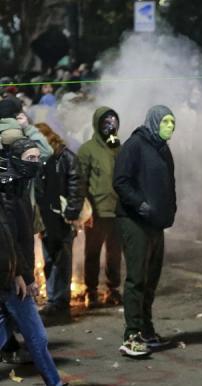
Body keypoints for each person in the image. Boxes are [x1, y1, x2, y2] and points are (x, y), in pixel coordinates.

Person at [114, 105, 177, 357]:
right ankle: (131, 335)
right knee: (137, 278)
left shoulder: (163, 149)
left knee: (151, 278)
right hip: (134, 221)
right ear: (154, 122)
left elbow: (169, 183)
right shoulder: (135, 145)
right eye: (166, 122)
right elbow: (120, 181)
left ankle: (146, 329)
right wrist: (140, 204)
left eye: (173, 122)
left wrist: (170, 210)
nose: (171, 126)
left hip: (155, 223)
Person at [0, 165, 67, 386]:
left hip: (12, 274)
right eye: (29, 158)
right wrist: (22, 275)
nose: (35, 162)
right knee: (37, 337)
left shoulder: (15, 194)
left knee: (7, 328)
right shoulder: (8, 199)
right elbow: (8, 243)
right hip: (10, 277)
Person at [34, 123, 84, 318]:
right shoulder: (42, 159)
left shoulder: (66, 157)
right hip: (47, 217)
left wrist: (72, 211)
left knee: (61, 258)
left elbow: (76, 185)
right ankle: (54, 298)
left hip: (62, 217)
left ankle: (59, 300)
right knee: (49, 258)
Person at [77, 106, 123, 308]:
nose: (110, 125)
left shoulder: (118, 148)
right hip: (96, 210)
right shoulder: (87, 150)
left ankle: (113, 289)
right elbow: (80, 182)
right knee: (92, 252)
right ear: (97, 123)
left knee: (115, 252)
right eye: (106, 121)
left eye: (113, 122)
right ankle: (91, 290)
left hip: (117, 210)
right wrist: (86, 210)